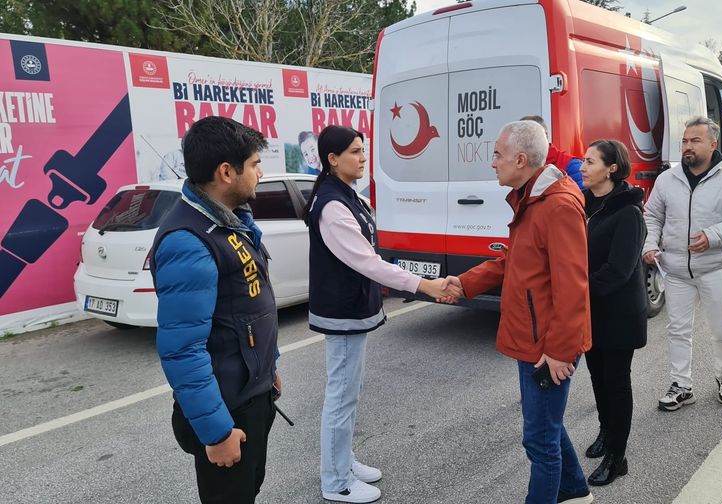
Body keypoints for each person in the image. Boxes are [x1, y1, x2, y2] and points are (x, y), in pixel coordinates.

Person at [441, 120, 593, 504]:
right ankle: (575, 491)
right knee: (546, 428)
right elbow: (515, 261)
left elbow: (573, 287)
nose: (493, 163)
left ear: (521, 160)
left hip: (548, 343)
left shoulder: (556, 205)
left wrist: (559, 351)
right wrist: (465, 282)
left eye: (497, 155)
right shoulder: (532, 197)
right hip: (535, 337)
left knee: (540, 440)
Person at [303, 125, 455, 503]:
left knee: (348, 393)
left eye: (362, 149)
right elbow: (368, 263)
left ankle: (343, 461)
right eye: (355, 151)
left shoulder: (346, 195)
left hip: (351, 308)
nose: (363, 157)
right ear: (332, 159)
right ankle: (336, 481)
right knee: (341, 396)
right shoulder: (332, 205)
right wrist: (424, 285)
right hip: (342, 313)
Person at [151, 116, 280, 504]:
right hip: (228, 411)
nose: (260, 173)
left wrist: (268, 368)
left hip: (252, 394)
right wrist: (217, 432)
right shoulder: (188, 241)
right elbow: (182, 349)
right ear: (226, 172)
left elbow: (247, 307)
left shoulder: (230, 221)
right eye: (255, 164)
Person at [642, 116, 722, 411]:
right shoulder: (667, 180)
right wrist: (650, 245)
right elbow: (652, 216)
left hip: (716, 267)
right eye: (684, 141)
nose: (687, 146)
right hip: (676, 270)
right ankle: (681, 385)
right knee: (677, 331)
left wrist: (713, 236)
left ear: (712, 144)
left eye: (695, 140)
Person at [579, 139, 647, 486]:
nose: (583, 167)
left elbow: (618, 271)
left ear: (612, 169)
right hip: (591, 311)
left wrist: (574, 291)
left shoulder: (628, 212)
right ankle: (606, 433)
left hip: (619, 313)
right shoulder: (585, 206)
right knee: (597, 377)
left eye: (591, 162)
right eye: (584, 160)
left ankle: (617, 457)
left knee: (617, 383)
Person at [520, 115, 584, 190]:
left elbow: (583, 196)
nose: (524, 141)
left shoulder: (572, 165)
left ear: (545, 135)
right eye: (520, 137)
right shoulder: (520, 166)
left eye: (529, 135)